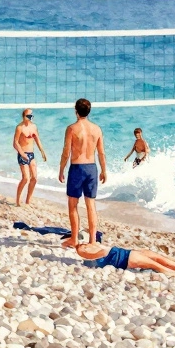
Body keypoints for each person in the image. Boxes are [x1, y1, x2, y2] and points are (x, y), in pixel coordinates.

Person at [58, 98, 107, 247]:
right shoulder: (97, 129)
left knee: (73, 204)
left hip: (77, 168)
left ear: (76, 111)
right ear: (89, 111)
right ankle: (92, 241)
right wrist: (104, 170)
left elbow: (66, 152)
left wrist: (61, 169)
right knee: (91, 204)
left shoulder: (72, 129)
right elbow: (101, 153)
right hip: (92, 168)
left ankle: (74, 239)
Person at [74, 242, 175, 277]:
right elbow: (87, 255)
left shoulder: (96, 249)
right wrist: (81, 249)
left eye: (84, 245)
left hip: (128, 253)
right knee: (156, 265)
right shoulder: (92, 256)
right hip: (126, 258)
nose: (85, 246)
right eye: (83, 247)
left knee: (158, 258)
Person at [12, 109, 47, 206]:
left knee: (34, 178)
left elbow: (37, 139)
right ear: (24, 117)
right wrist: (22, 154)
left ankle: (28, 200)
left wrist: (42, 151)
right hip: (22, 154)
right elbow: (15, 143)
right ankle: (18, 200)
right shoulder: (20, 127)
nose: (30, 117)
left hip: (31, 154)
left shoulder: (34, 126)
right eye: (28, 116)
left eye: (31, 116)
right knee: (25, 178)